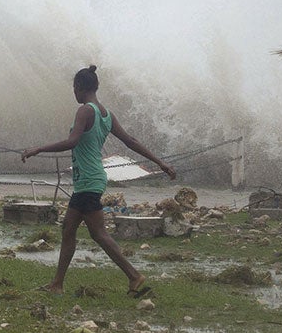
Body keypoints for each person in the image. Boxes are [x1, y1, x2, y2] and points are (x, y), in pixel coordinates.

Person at [22, 64, 175, 294]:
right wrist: (159, 162)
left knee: (98, 234)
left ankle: (133, 276)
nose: (73, 93)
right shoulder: (106, 114)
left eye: (74, 88)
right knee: (70, 230)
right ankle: (57, 284)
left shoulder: (85, 111)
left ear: (81, 88)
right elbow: (130, 141)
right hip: (92, 180)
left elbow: (72, 141)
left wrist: (38, 149)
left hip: (88, 181)